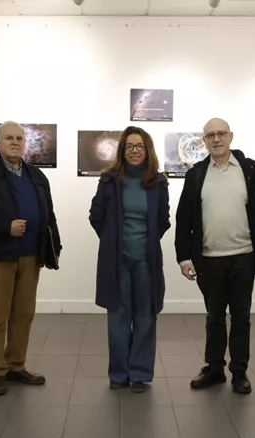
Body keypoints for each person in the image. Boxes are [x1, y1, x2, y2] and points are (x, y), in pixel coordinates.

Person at [0, 121, 61, 396]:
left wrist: (54, 245)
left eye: (19, 138)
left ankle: (16, 366)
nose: (15, 142)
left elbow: (49, 214)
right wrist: (5, 226)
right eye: (9, 138)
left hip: (31, 256)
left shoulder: (36, 176)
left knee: (23, 314)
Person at [174, 117, 255, 394]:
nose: (216, 139)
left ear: (231, 136)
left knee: (241, 317)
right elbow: (184, 219)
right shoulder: (196, 175)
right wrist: (184, 258)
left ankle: (239, 371)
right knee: (214, 317)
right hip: (208, 259)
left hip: (243, 256)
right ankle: (214, 368)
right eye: (210, 135)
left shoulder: (251, 171)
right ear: (204, 141)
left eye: (221, 134)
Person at [89, 126, 171, 393]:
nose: (135, 151)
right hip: (117, 261)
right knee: (118, 318)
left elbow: (162, 221)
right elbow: (96, 216)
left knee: (146, 317)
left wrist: (143, 242)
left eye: (140, 146)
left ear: (148, 150)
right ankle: (119, 374)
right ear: (122, 151)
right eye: (129, 146)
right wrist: (113, 240)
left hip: (146, 261)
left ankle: (140, 374)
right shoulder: (110, 180)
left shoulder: (158, 183)